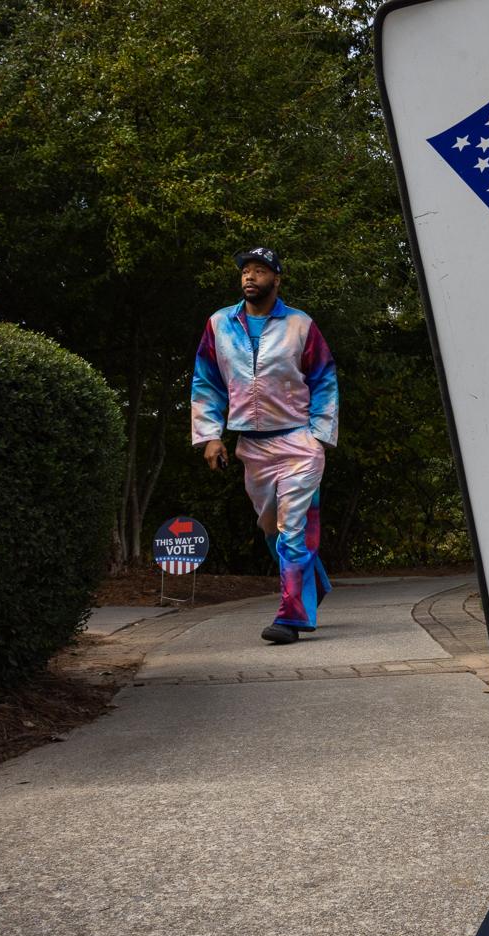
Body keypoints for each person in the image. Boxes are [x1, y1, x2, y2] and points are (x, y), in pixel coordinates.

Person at [191, 247, 338, 644]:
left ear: (277, 279)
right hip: (251, 447)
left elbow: (324, 378)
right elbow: (206, 381)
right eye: (245, 271)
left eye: (259, 270)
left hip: (297, 441)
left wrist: (319, 435)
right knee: (270, 528)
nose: (249, 277)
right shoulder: (220, 323)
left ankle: (290, 618)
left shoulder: (300, 325)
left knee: (292, 529)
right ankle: (314, 585)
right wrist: (209, 436)